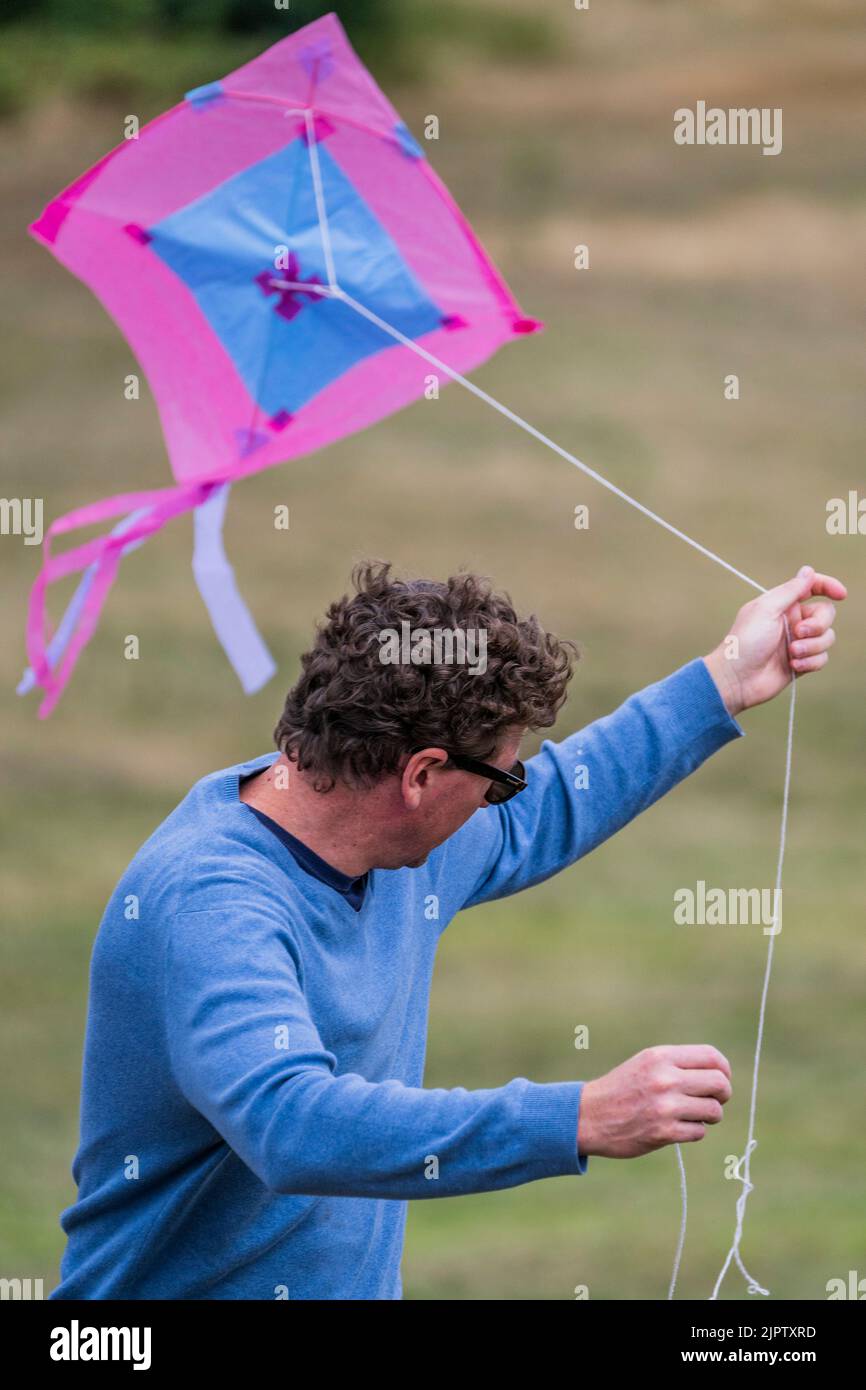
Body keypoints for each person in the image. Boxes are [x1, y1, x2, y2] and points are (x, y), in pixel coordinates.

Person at [50, 559, 845, 1300]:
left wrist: (723, 682)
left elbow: (553, 805)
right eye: (499, 776)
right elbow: (293, 1124)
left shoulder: (382, 837)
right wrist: (575, 1117)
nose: (508, 796)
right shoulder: (214, 905)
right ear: (423, 775)